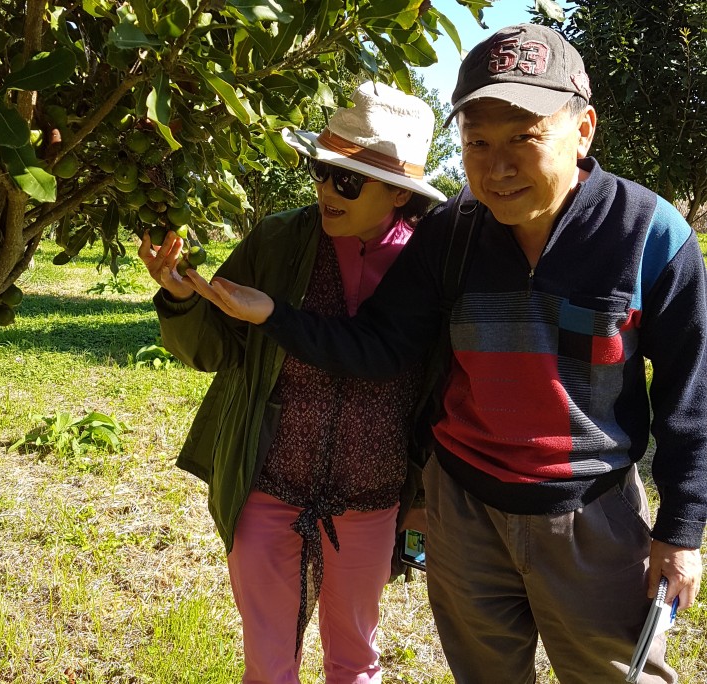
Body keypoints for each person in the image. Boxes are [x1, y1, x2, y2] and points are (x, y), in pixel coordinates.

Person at [184, 24, 707, 684]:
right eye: (477, 143)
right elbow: (381, 347)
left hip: (591, 517)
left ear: (582, 130)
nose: (496, 165)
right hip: (465, 514)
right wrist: (273, 315)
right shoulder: (453, 233)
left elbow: (690, 397)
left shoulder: (649, 235)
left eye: (524, 138)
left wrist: (682, 529)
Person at [139, 80, 446, 683]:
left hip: (371, 499)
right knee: (268, 663)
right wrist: (179, 296)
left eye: (347, 179)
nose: (326, 189)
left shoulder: (427, 261)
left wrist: (426, 500)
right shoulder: (279, 240)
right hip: (268, 486)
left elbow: (438, 382)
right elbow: (216, 349)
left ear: (397, 192)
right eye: (320, 170)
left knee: (355, 660)